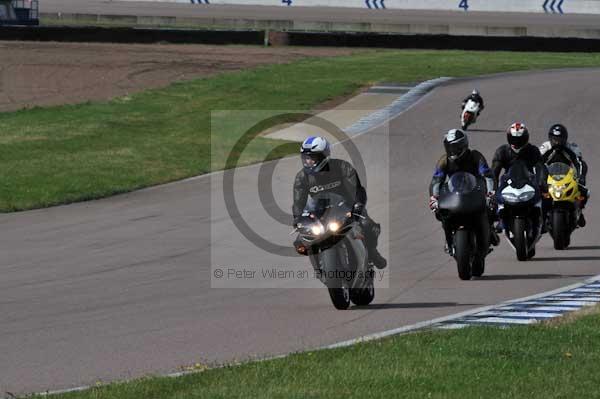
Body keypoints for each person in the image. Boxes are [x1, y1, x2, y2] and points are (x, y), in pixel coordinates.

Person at [292, 136, 387, 269]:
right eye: (305, 158)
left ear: (323, 156)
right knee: (302, 239)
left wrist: (358, 207)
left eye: (312, 158)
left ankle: (371, 252)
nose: (308, 161)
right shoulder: (302, 177)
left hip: (349, 208)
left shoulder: (342, 167)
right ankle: (319, 267)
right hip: (320, 213)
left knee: (367, 225)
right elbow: (298, 202)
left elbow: (357, 190)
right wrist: (298, 218)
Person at [429, 129, 499, 255]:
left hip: (476, 190)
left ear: (463, 145)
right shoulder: (444, 160)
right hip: (454, 194)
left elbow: (488, 175)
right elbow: (436, 180)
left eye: (455, 147)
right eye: (449, 147)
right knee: (441, 213)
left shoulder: (475, 156)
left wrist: (491, 193)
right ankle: (448, 239)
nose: (452, 150)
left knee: (491, 207)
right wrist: (434, 197)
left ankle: (490, 229)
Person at [539, 124, 589, 227]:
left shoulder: (572, 147)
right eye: (554, 139)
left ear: (565, 138)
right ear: (550, 138)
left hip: (568, 176)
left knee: (584, 192)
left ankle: (579, 211)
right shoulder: (545, 147)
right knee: (537, 193)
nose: (557, 142)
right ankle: (541, 216)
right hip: (549, 177)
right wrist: (537, 177)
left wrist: (581, 177)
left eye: (560, 139)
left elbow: (580, 163)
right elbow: (538, 163)